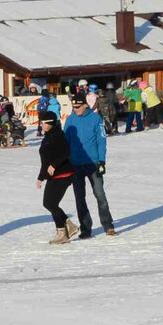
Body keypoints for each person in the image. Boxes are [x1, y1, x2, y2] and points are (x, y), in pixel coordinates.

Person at [64, 97, 115, 238]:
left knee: (100, 195)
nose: (75, 110)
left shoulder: (96, 119)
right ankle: (86, 228)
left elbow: (101, 140)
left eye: (78, 107)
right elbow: (65, 142)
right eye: (74, 107)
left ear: (86, 105)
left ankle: (108, 225)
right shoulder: (70, 120)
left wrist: (101, 161)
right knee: (79, 198)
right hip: (75, 165)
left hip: (93, 164)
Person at [35, 112, 79, 244]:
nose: (41, 125)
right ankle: (68, 227)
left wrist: (55, 164)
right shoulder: (47, 137)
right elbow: (45, 161)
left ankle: (62, 232)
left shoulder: (58, 135)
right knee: (49, 203)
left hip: (63, 174)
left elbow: (66, 152)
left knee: (50, 203)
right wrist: (40, 177)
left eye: (43, 122)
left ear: (50, 123)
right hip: (54, 175)